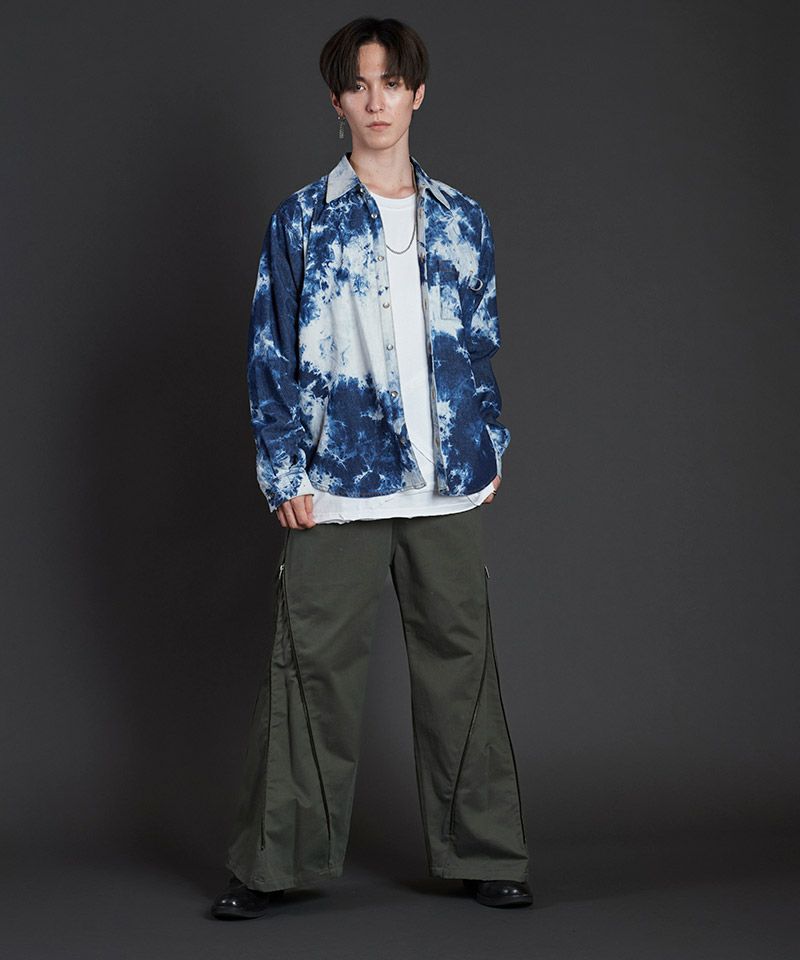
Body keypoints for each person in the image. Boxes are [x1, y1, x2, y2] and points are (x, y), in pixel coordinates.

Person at [211, 16, 532, 918]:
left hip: (447, 485)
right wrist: (284, 473)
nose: (377, 100)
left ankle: (486, 853)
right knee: (309, 669)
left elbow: (479, 346)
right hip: (336, 487)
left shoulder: (464, 219)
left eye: (392, 82)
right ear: (337, 100)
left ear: (418, 93)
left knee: (461, 666)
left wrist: (491, 441)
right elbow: (269, 354)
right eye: (359, 84)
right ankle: (274, 865)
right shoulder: (302, 220)